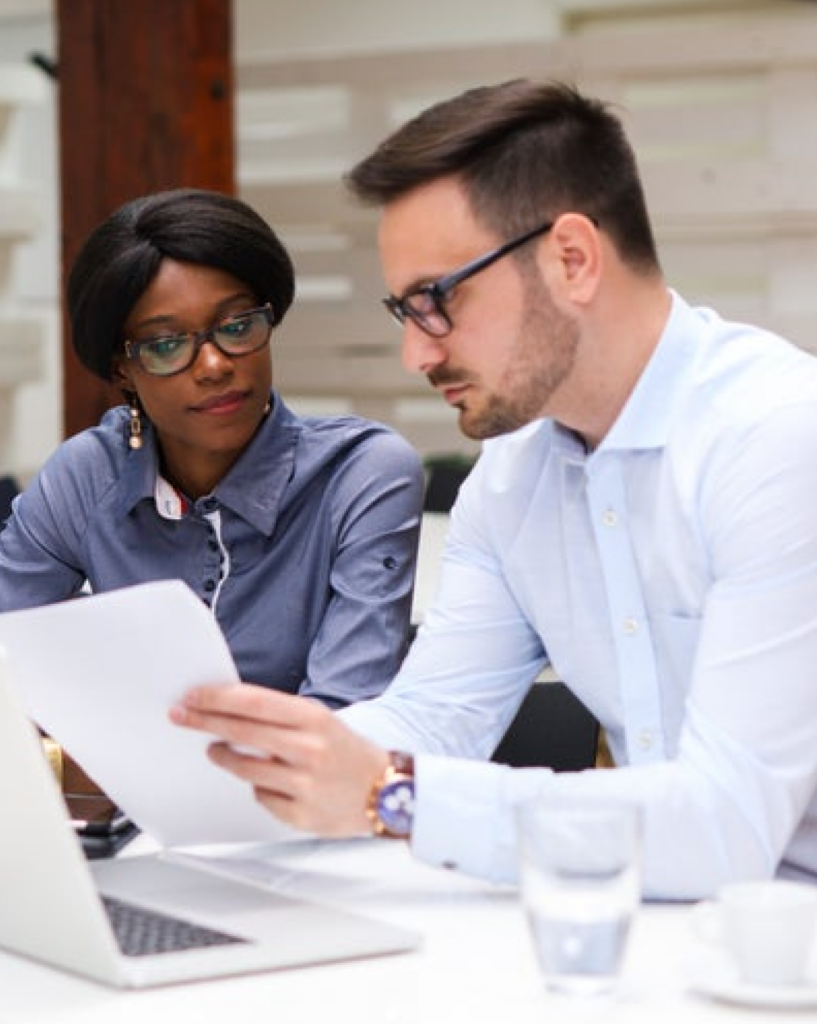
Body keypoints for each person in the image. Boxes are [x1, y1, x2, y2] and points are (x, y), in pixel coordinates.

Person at [168, 81, 817, 899]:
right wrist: (256, 757)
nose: (417, 353)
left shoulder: (779, 438)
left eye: (436, 301)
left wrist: (391, 796)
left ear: (571, 259)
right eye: (403, 310)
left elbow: (724, 828)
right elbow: (432, 721)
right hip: (666, 930)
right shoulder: (512, 478)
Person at [0, 188, 424, 709]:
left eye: (237, 326)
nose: (214, 365)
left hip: (310, 787)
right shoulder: (89, 475)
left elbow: (346, 714)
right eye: (166, 345)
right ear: (123, 369)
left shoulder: (361, 475)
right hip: (125, 788)